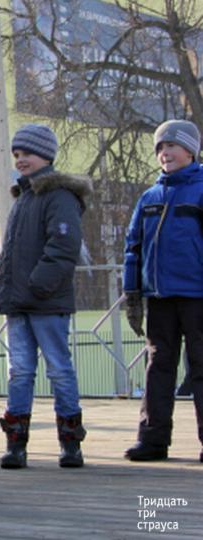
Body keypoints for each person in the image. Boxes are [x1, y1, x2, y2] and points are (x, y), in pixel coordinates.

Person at [0, 123, 90, 469]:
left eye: (27, 153)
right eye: (16, 154)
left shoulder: (59, 196)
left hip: (45, 301)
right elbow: (11, 249)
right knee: (20, 372)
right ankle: (16, 444)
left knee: (59, 370)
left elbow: (63, 246)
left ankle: (70, 443)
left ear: (46, 155)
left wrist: (37, 285)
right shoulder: (23, 197)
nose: (20, 159)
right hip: (18, 301)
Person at [122, 120, 203, 463]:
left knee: (201, 368)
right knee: (158, 367)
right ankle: (152, 440)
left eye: (172, 146)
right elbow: (133, 248)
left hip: (197, 296)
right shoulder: (149, 197)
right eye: (160, 148)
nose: (165, 153)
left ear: (191, 151)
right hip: (159, 297)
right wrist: (132, 293)